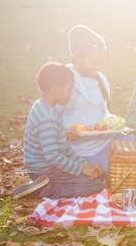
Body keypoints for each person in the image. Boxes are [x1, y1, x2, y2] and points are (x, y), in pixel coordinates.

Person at [12, 62, 105, 199]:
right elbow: (53, 156)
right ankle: (44, 190)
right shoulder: (48, 117)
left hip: (46, 168)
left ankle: (43, 185)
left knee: (97, 178)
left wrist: (85, 164)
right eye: (69, 89)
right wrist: (81, 169)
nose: (71, 94)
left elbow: (64, 149)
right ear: (56, 89)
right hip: (45, 170)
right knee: (94, 185)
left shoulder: (43, 107)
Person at [60, 25, 131, 173]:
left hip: (106, 140)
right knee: (120, 171)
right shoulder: (66, 81)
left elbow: (102, 112)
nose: (98, 66)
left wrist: (114, 123)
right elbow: (50, 118)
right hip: (79, 150)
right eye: (94, 61)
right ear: (78, 58)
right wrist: (63, 131)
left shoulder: (99, 79)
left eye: (101, 61)